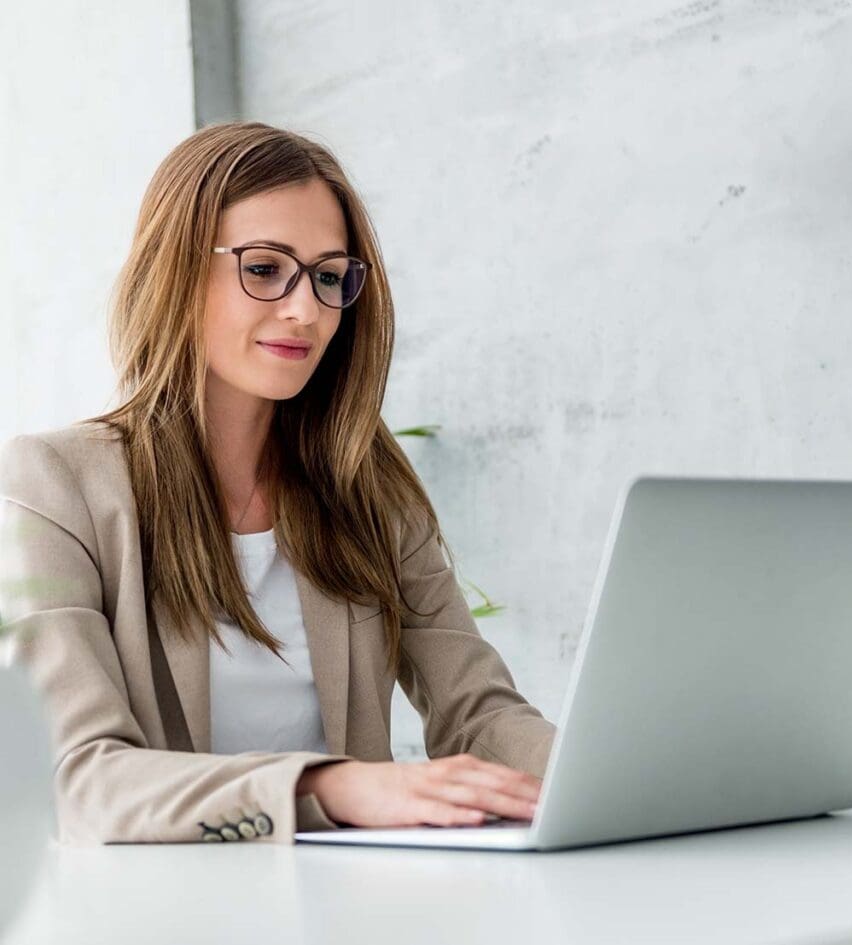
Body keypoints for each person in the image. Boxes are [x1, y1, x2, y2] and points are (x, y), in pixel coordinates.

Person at [0, 121, 556, 845]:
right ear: (175, 269)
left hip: (342, 902)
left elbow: (479, 712)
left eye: (329, 275)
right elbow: (78, 778)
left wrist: (603, 777)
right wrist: (325, 784)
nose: (307, 308)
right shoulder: (55, 485)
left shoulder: (367, 490)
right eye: (264, 268)